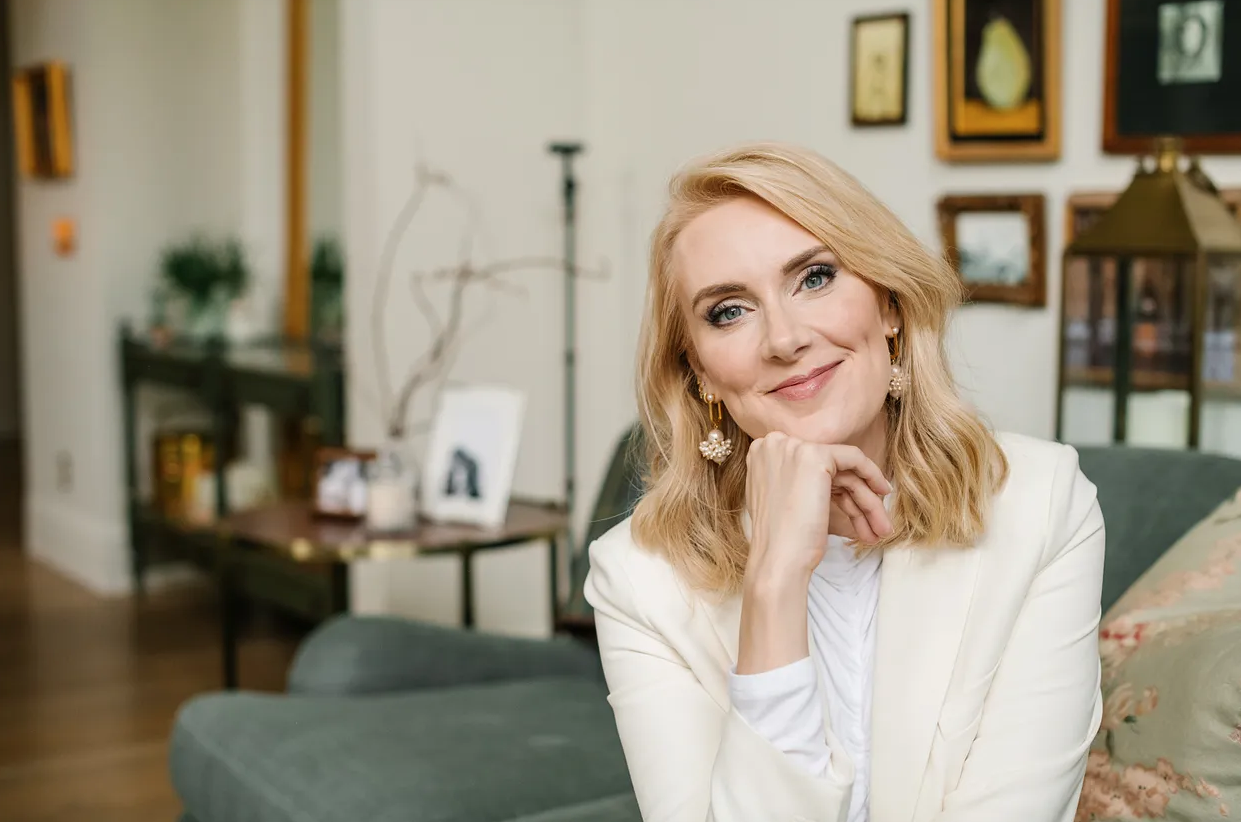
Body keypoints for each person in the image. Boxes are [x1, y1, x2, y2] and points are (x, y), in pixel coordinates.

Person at [583, 142, 1105, 822]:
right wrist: (774, 583)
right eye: (729, 311)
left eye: (814, 277)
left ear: (888, 304)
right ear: (700, 372)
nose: (783, 339)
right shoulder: (637, 578)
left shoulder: (1041, 502)